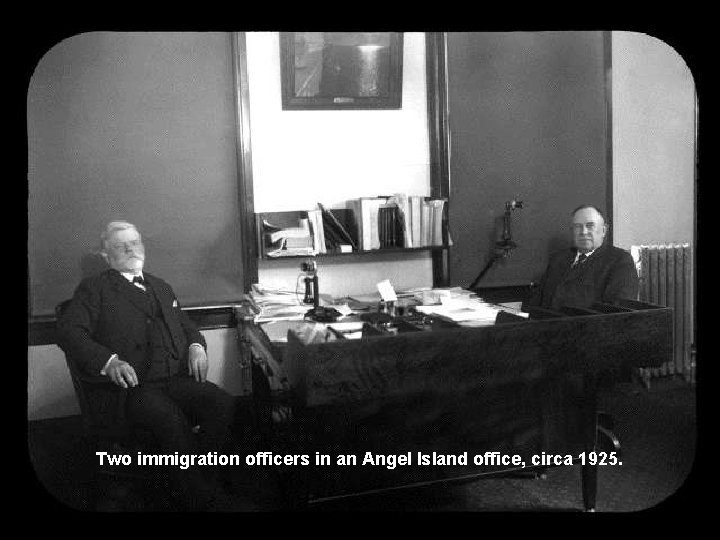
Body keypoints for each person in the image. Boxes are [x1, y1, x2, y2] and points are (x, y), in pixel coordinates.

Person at [57, 221, 237, 511]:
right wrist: (108, 361)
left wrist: (196, 346)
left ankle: (194, 480)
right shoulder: (95, 289)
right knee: (171, 419)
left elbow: (186, 325)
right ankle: (199, 498)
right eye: (120, 245)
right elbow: (68, 332)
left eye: (135, 242)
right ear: (106, 255)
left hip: (175, 379)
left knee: (222, 403)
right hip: (134, 387)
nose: (130, 249)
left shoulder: (161, 286)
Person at [525, 205, 638, 311]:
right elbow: (537, 301)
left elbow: (617, 311)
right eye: (578, 226)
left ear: (603, 230)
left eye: (590, 226)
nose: (583, 232)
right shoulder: (558, 259)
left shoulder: (619, 261)